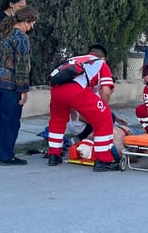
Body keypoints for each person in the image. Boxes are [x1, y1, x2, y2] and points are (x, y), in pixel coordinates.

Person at [47, 44, 119, 172]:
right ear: (103, 58)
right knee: (104, 117)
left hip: (56, 90)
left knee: (57, 121)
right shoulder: (101, 63)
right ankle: (104, 160)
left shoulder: (77, 59)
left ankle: (54, 155)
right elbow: (106, 92)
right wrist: (103, 108)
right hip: (75, 90)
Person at [0, 6, 38, 165]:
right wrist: (23, 90)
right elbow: (21, 66)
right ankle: (7, 155)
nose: (32, 27)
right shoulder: (21, 38)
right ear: (26, 21)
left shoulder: (1, 33)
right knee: (11, 120)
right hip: (9, 85)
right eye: (32, 23)